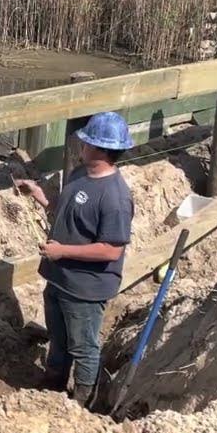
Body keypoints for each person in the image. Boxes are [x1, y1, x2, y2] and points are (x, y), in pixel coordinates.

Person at [15, 111, 135, 408]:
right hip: (59, 278)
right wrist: (39, 195)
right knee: (58, 338)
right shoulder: (80, 174)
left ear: (101, 150)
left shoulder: (115, 197)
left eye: (87, 142)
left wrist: (63, 252)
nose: (81, 145)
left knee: (83, 347)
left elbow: (111, 250)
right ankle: (53, 386)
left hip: (84, 288)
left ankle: (83, 402)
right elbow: (67, 210)